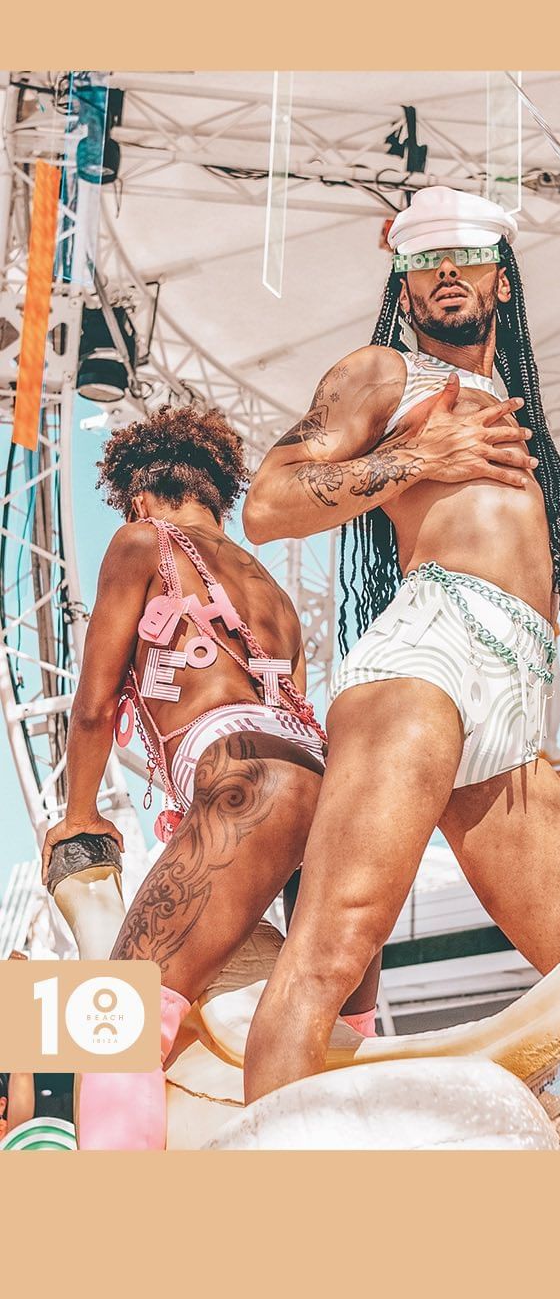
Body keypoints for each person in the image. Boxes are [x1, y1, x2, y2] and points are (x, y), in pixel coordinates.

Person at [242, 185, 560, 1100]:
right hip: (425, 660)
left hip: (512, 705)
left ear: (502, 280)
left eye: (465, 256)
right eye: (423, 261)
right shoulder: (383, 375)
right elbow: (268, 504)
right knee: (331, 953)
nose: (446, 272)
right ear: (403, 290)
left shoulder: (515, 416)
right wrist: (415, 460)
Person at [38, 405, 373, 1149]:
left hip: (248, 783)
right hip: (338, 801)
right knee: (345, 1041)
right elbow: (293, 718)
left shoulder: (142, 543)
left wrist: (80, 814)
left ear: (138, 497)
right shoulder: (276, 597)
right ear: (218, 495)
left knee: (116, 1023)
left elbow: (94, 707)